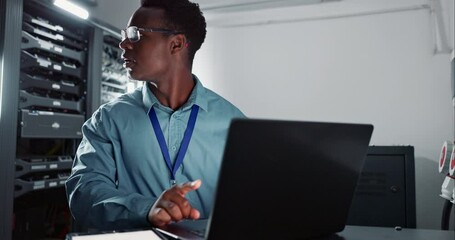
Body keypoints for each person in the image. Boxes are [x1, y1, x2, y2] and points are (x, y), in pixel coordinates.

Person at [65, 0, 245, 230]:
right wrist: (146, 208)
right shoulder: (109, 120)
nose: (123, 43)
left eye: (136, 35)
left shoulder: (234, 124)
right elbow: (83, 193)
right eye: (125, 35)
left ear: (176, 44)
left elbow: (253, 201)